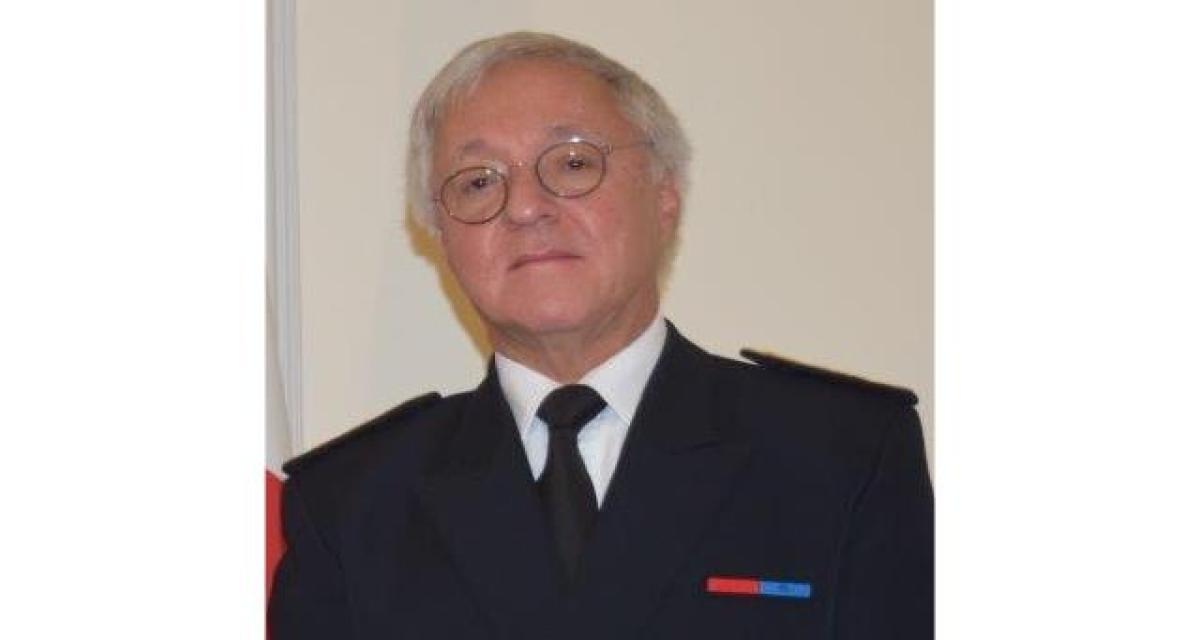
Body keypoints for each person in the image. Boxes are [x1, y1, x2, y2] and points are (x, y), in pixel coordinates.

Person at [269, 31, 932, 639]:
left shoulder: (840, 455)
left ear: (664, 195)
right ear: (441, 237)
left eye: (573, 163)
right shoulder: (352, 506)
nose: (526, 207)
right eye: (478, 182)